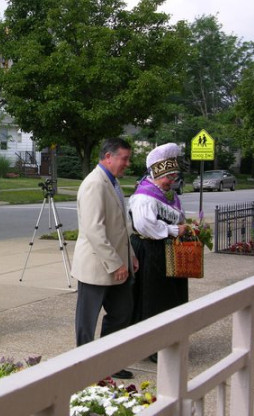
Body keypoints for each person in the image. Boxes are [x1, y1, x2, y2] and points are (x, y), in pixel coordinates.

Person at [71, 137, 139, 379]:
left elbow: (121, 225)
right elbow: (94, 230)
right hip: (96, 266)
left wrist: (129, 256)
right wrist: (115, 263)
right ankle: (84, 366)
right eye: (124, 158)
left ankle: (108, 362)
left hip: (118, 264)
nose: (127, 163)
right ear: (108, 157)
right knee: (86, 322)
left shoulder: (113, 182)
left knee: (122, 313)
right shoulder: (94, 184)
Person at [128, 143, 188, 362]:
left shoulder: (168, 194)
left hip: (165, 248)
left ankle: (169, 340)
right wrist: (173, 229)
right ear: (157, 173)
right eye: (168, 177)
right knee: (152, 296)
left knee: (169, 295)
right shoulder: (145, 196)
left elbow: (178, 216)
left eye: (173, 177)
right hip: (149, 250)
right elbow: (146, 226)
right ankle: (151, 346)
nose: (171, 181)